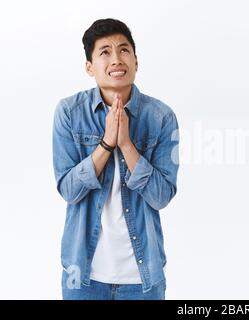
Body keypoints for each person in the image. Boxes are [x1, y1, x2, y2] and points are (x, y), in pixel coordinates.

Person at [52, 18, 179, 300]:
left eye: (124, 50)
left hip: (143, 278)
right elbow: (68, 190)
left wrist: (126, 144)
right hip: (81, 276)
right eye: (104, 52)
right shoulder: (69, 113)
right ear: (89, 67)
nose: (116, 59)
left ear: (136, 61)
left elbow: (161, 196)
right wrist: (107, 143)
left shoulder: (161, 117)